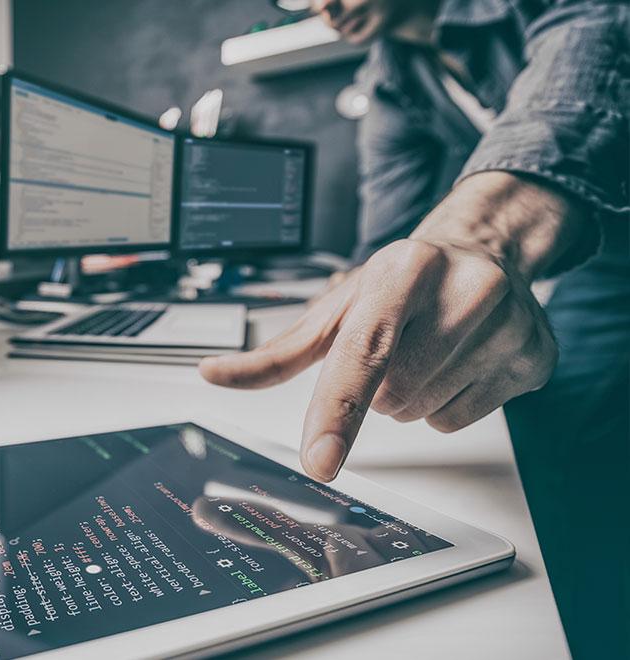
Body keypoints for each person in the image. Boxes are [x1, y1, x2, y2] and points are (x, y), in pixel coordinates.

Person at [198, 0, 629, 657]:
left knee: (567, 415)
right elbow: (384, 232)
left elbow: (592, 34)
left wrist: (479, 232)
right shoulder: (391, 78)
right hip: (589, 257)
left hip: (614, 252)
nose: (321, 4)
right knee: (537, 410)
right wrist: (349, 296)